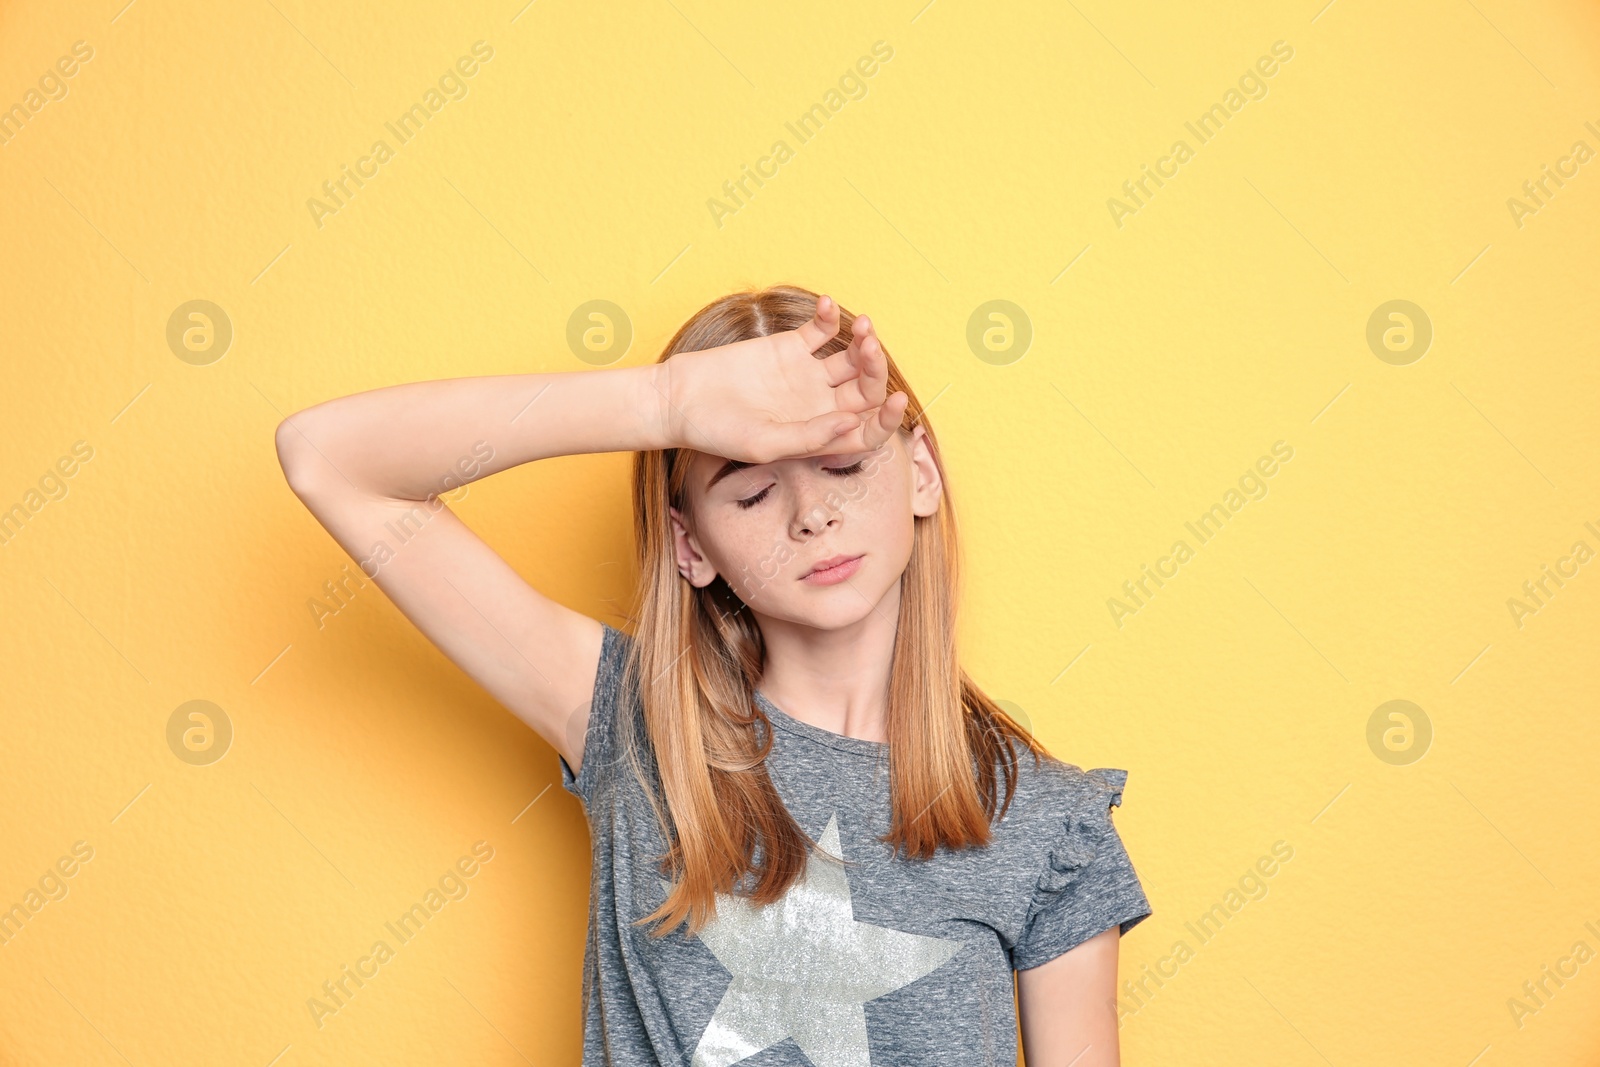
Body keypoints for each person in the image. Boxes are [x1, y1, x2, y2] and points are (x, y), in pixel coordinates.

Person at [274, 284, 1153, 1066]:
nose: (813, 514)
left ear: (919, 471)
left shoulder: (1045, 822)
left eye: (843, 464)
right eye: (751, 490)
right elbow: (328, 457)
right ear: (691, 545)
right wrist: (668, 403)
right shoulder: (634, 723)